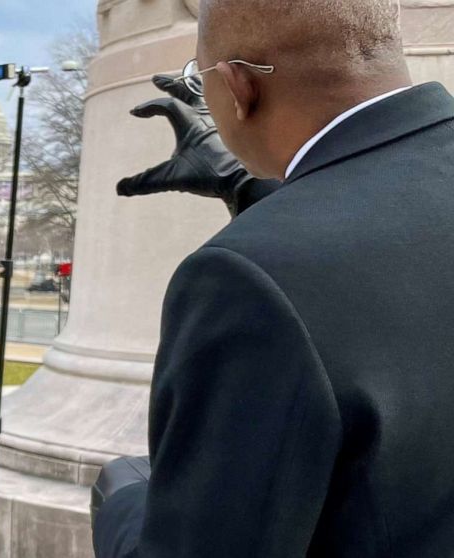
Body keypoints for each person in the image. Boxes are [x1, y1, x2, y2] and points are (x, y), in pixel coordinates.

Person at [92, 0, 454, 556]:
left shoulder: (244, 280)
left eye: (199, 79)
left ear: (239, 88)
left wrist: (120, 500)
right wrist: (248, 185)